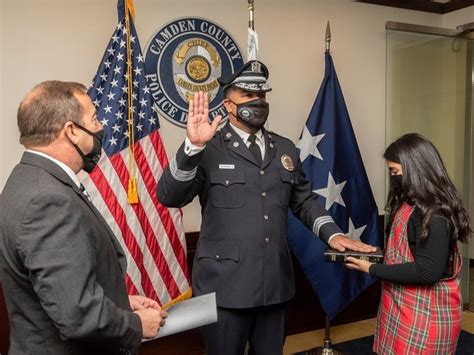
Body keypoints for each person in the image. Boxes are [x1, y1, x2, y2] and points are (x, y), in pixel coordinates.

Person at [157, 60, 375, 355]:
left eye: (261, 96)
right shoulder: (208, 147)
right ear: (229, 105)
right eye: (247, 95)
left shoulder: (284, 149)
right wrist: (191, 147)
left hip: (275, 285)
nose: (257, 102)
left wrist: (333, 235)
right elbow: (169, 196)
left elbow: (304, 201)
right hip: (223, 289)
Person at [0, 81, 167, 354]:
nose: (101, 126)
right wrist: (135, 324)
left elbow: (60, 286)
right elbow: (78, 314)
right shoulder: (48, 201)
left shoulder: (25, 178)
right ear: (72, 131)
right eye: (94, 119)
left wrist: (118, 303)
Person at [346, 133, 471, 354]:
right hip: (402, 309)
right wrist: (377, 253)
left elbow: (427, 272)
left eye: (395, 172)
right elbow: (409, 253)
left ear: (416, 170)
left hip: (425, 316)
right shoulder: (410, 205)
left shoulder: (436, 216)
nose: (393, 178)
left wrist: (372, 268)